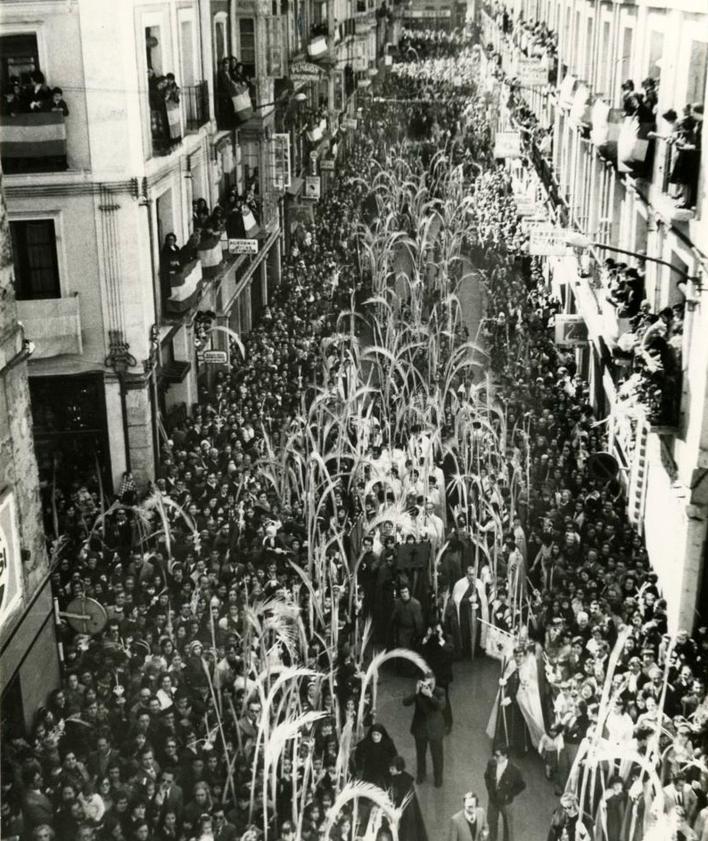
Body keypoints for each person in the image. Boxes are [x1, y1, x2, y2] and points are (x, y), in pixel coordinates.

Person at [402, 672, 445, 787]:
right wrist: (416, 692)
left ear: (434, 681)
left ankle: (438, 777)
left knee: (437, 755)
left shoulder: (440, 692)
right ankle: (421, 775)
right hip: (420, 728)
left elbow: (441, 706)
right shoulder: (419, 693)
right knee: (420, 754)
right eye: (426, 682)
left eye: (431, 683)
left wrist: (430, 695)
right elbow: (405, 702)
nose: (428, 686)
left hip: (435, 728)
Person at [484, 745, 526, 841]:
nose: (495, 758)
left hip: (506, 803)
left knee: (508, 825)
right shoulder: (491, 764)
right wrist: (490, 789)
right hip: (493, 800)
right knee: (491, 822)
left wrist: (509, 794)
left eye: (497, 755)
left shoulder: (515, 770)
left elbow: (521, 785)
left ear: (505, 756)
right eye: (494, 755)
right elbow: (486, 776)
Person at [388, 756, 428, 841]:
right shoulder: (404, 778)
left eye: (392, 769)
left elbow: (400, 798)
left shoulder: (403, 782)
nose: (390, 770)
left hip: (405, 812)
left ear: (398, 769)